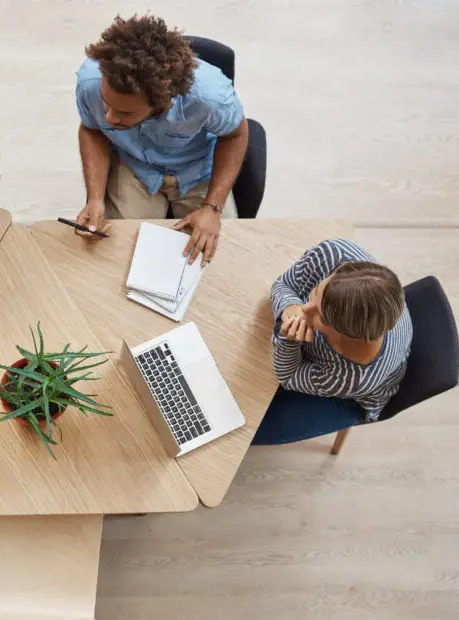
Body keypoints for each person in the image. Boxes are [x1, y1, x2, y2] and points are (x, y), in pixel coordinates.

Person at [73, 14, 248, 263]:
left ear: (161, 100)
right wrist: (95, 199)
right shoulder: (92, 80)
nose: (109, 118)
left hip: (196, 170)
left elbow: (236, 135)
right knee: (114, 255)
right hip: (135, 166)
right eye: (106, 104)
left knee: (220, 257)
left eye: (125, 112)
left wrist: (212, 207)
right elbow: (92, 129)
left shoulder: (209, 96)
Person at [251, 239, 414, 445]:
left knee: (250, 427)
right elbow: (284, 285)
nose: (305, 309)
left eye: (320, 317)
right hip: (338, 358)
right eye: (316, 292)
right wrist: (290, 306)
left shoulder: (350, 378)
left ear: (346, 335)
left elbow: (290, 376)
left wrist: (288, 339)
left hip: (350, 398)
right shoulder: (334, 254)